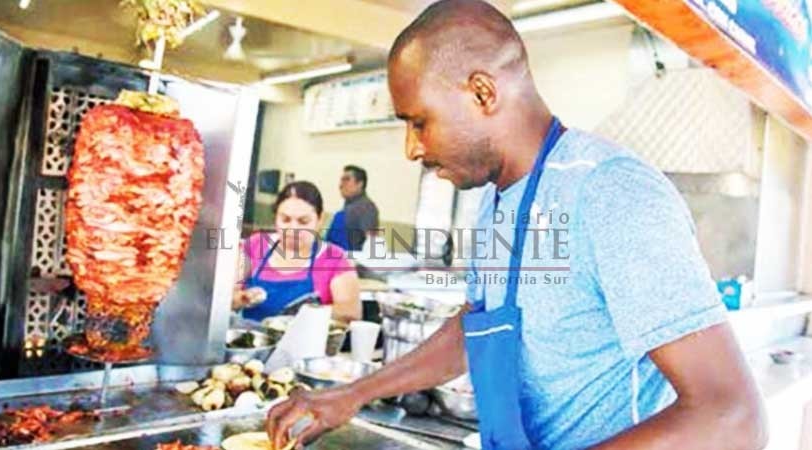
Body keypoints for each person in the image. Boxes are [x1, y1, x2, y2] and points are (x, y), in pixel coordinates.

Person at [267, 1, 767, 449]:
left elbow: (732, 418)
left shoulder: (609, 193)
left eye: (418, 122)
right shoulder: (499, 198)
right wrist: (352, 394)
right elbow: (475, 327)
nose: (412, 148)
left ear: (483, 93)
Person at [233, 181, 361, 323]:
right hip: (254, 341)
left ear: (319, 220)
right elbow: (225, 298)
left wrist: (302, 313)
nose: (293, 228)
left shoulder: (335, 258)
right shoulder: (255, 245)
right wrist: (242, 299)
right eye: (285, 220)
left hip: (308, 344)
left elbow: (350, 312)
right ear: (275, 218)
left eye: (303, 221)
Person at [325, 165, 380, 251]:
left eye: (346, 180)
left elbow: (372, 243)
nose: (340, 185)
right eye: (341, 180)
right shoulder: (347, 208)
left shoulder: (367, 208)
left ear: (360, 184)